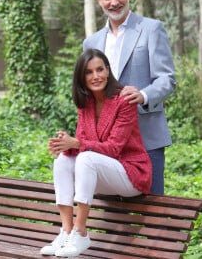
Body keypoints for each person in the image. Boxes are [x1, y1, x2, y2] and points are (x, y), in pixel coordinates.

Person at [40, 48, 152, 257]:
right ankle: (66, 230)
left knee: (85, 157)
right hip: (101, 173)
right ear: (82, 77)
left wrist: (76, 143)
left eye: (100, 69)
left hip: (130, 173)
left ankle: (80, 232)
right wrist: (66, 144)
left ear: (108, 71)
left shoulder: (123, 100)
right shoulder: (86, 103)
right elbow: (84, 143)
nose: (96, 76)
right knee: (62, 161)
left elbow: (113, 148)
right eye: (89, 72)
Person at [83, 0, 176, 195]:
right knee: (114, 212)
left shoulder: (151, 29)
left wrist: (143, 95)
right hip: (107, 140)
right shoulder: (91, 42)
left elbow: (167, 79)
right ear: (99, 1)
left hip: (146, 135)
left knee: (153, 208)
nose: (114, 2)